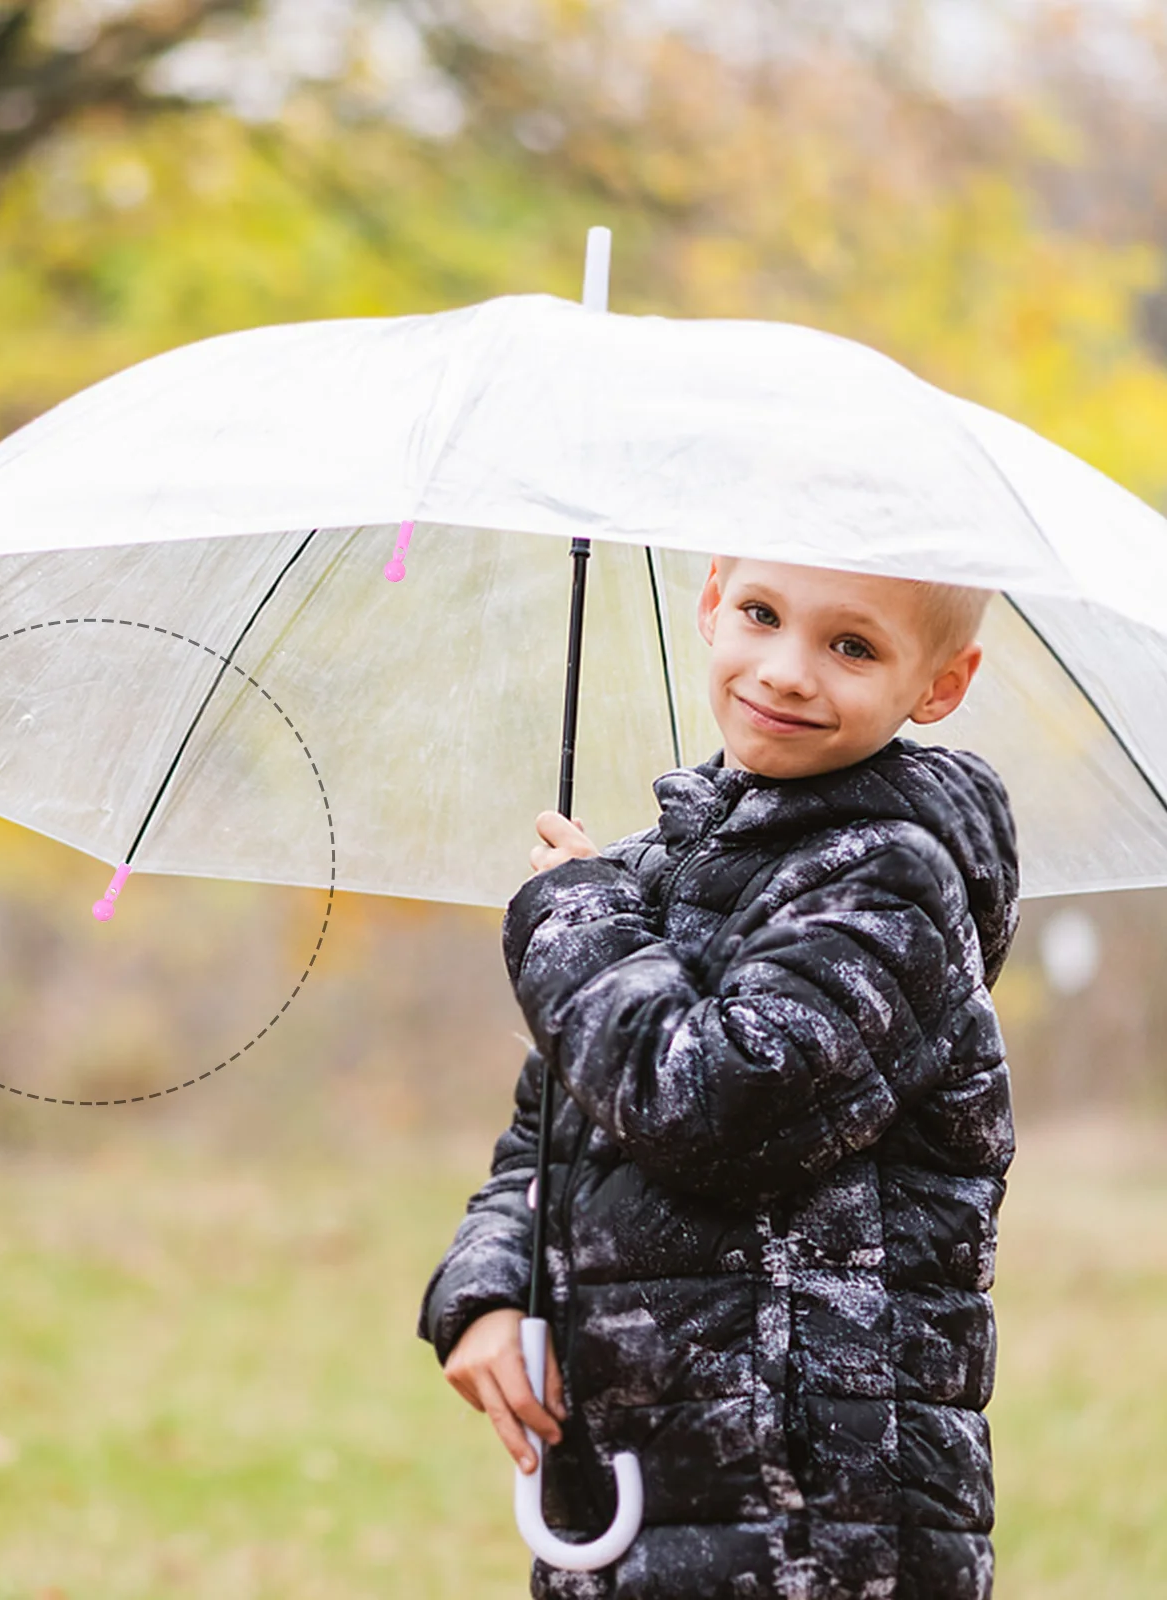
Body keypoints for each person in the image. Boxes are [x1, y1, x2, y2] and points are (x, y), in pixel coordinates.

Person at [416, 554, 1020, 1600]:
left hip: (816, 1512)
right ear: (710, 606)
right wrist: (486, 1287)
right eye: (760, 614)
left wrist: (574, 917)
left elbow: (712, 1105)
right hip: (638, 1468)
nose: (786, 671)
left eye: (850, 645)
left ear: (938, 684)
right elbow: (553, 1125)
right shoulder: (658, 866)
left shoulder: (892, 882)